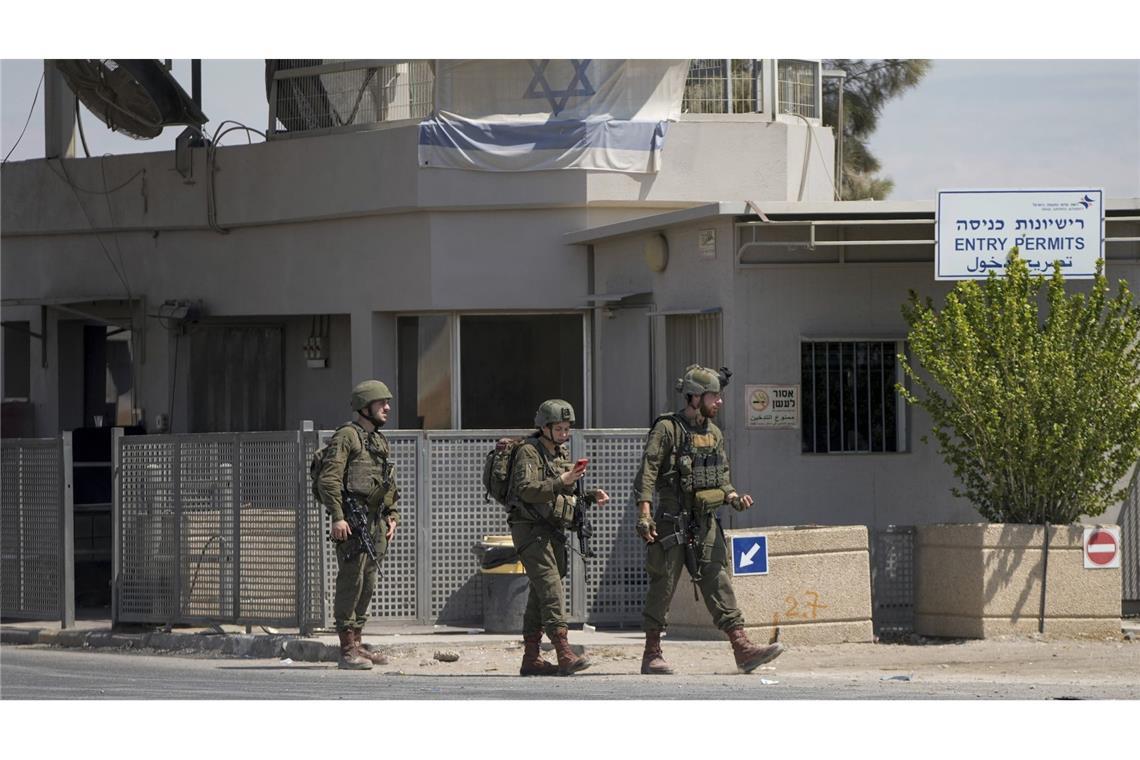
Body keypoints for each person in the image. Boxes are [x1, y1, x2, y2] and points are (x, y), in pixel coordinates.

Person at [633, 365, 786, 675]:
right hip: (671, 519)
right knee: (663, 584)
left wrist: (733, 497)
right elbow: (647, 471)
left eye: (719, 395)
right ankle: (652, 653)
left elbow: (723, 478)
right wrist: (645, 514)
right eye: (714, 396)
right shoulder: (667, 429)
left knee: (718, 579)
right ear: (694, 397)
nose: (720, 402)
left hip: (704, 521)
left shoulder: (714, 434)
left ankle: (742, 648)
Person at [507, 399, 610, 676]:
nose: (565, 434)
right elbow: (526, 489)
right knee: (551, 587)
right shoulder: (529, 452)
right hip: (530, 531)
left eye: (567, 429)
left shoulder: (558, 453)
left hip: (552, 530)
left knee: (540, 594)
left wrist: (589, 495)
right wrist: (561, 481)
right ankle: (563, 651)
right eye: (560, 429)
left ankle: (531, 657)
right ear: (545, 428)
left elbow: (564, 491)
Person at [316, 380, 401, 671]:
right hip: (353, 519)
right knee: (351, 580)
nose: (387, 408)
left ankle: (359, 640)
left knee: (368, 580)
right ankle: (346, 647)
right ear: (364, 407)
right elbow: (329, 479)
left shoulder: (377, 439)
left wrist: (392, 514)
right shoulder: (347, 437)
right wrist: (338, 516)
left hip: (376, 520)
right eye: (381, 403)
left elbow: (387, 482)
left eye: (388, 403)